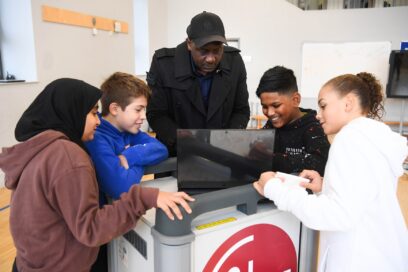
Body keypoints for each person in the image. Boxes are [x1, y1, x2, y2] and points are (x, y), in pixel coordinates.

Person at [0, 78, 194, 272]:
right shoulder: (68, 156)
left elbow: (158, 150)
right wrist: (147, 196)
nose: (98, 120)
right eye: (93, 113)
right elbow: (91, 227)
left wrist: (129, 159)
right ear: (72, 112)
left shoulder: (43, 148)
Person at [254, 72, 408, 271]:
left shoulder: (349, 139)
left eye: (323, 105)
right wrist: (325, 187)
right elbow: (361, 196)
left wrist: (274, 188)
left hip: (359, 261)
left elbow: (336, 215)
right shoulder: (374, 137)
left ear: (348, 103)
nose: (318, 114)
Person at [146, 11, 250, 156]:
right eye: (204, 51)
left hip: (221, 153)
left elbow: (241, 110)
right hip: (177, 155)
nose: (211, 59)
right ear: (189, 43)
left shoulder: (234, 62)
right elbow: (156, 114)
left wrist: (228, 139)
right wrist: (184, 142)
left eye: (217, 50)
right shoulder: (164, 64)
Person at [86, 72, 168, 202]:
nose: (143, 116)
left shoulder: (128, 131)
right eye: (138, 109)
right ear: (115, 109)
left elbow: (161, 149)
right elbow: (121, 188)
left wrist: (129, 157)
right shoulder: (96, 138)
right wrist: (143, 159)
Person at [251, 66, 330, 176]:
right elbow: (257, 149)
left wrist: (271, 158)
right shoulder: (272, 124)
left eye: (276, 105)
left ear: (295, 100)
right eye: (264, 106)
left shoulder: (314, 127)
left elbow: (320, 163)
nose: (270, 113)